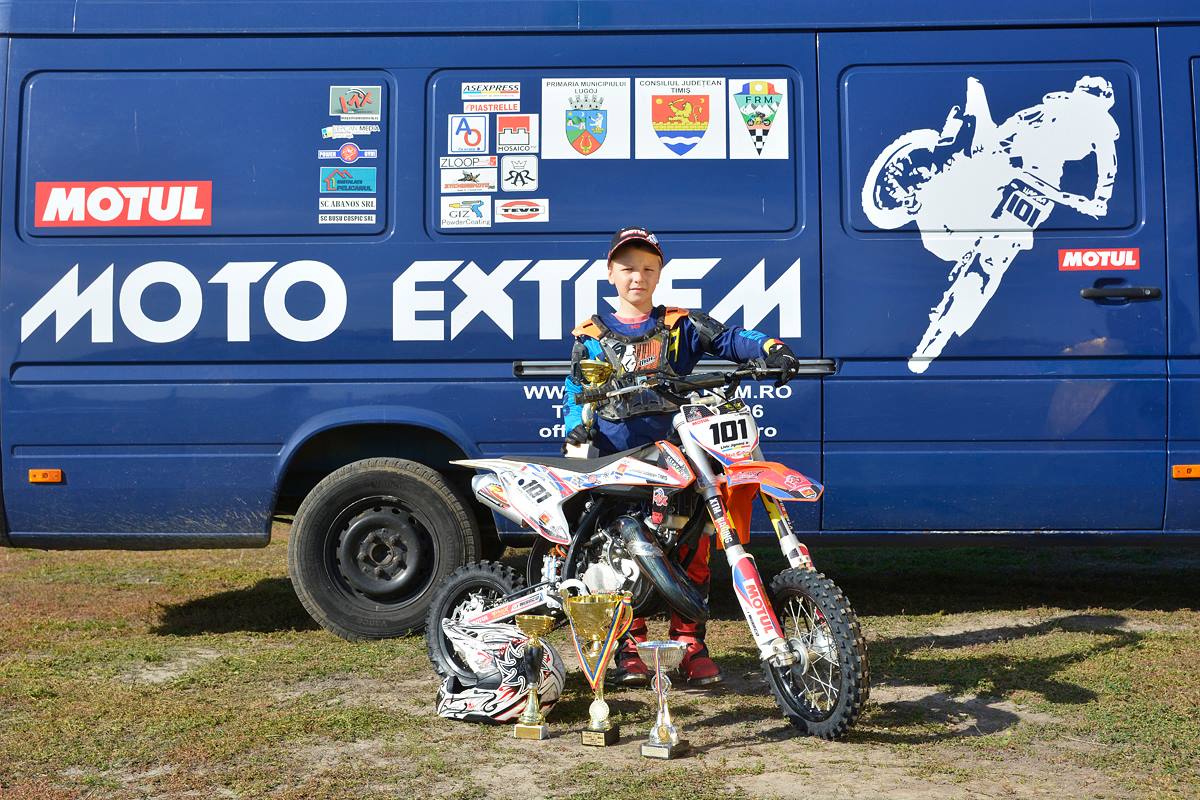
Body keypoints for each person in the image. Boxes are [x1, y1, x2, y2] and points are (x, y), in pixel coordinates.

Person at [560, 226, 800, 687]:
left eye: (648, 268)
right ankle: (628, 646)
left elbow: (731, 339)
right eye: (628, 268)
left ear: (659, 273)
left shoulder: (680, 324)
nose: (638, 277)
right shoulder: (590, 335)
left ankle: (690, 644)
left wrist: (770, 348)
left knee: (693, 547)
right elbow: (576, 390)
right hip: (618, 461)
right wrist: (576, 428)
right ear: (610, 273)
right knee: (622, 555)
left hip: (679, 457)